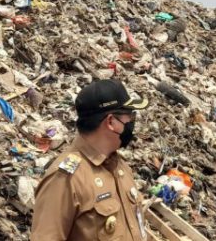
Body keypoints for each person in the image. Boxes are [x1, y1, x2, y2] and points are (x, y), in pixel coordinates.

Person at [30, 79, 149, 241]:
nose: (132, 123)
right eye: (130, 116)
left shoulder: (119, 166)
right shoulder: (66, 179)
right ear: (111, 122)